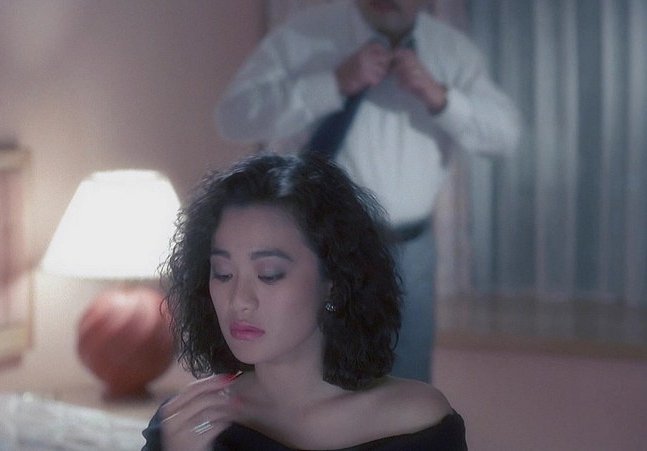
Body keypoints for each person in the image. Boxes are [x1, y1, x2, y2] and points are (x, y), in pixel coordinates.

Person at [213, 0, 522, 382]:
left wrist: (442, 99)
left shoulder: (451, 51)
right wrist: (331, 84)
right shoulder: (303, 37)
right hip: (317, 247)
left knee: (407, 383)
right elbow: (233, 117)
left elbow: (506, 137)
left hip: (409, 253)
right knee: (313, 379)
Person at [142, 152, 466, 450]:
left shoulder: (415, 421)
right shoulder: (189, 424)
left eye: (269, 275)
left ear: (334, 283)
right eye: (223, 273)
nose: (239, 300)